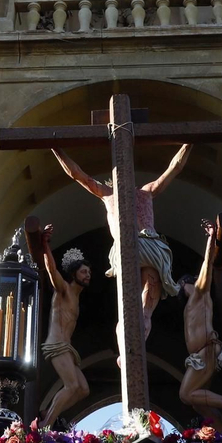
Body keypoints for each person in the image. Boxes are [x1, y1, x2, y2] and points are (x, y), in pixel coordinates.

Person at [50, 143, 191, 354]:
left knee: (129, 312)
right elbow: (175, 167)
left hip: (128, 249)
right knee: (144, 311)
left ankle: (125, 354)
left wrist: (57, 147)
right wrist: (189, 143)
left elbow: (77, 175)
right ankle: (132, 352)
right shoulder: (143, 192)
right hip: (150, 248)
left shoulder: (109, 194)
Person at [178, 213, 222, 425]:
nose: (180, 288)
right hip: (201, 355)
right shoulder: (192, 303)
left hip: (207, 350)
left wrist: (211, 238)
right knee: (199, 403)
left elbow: (206, 268)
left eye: (182, 285)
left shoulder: (200, 293)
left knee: (186, 394)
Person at [27, 223, 91, 426]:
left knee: (83, 389)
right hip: (56, 344)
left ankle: (48, 411)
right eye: (83, 272)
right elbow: (51, 269)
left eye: (89, 272)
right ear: (74, 274)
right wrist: (45, 244)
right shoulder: (64, 290)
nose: (87, 275)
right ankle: (46, 425)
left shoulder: (77, 299)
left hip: (67, 348)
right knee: (72, 386)